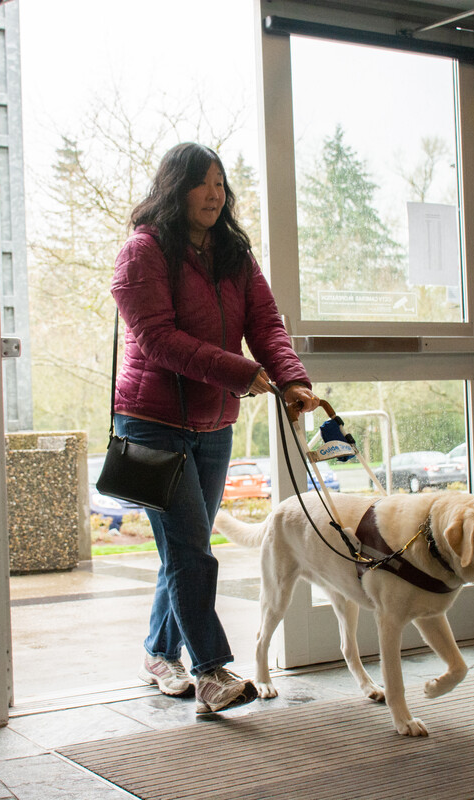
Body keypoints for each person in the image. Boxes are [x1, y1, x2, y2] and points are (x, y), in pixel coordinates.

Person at [111, 143, 320, 714]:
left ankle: (159, 652)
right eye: (201, 183)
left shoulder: (233, 253)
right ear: (173, 188)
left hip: (212, 422)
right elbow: (158, 338)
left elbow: (266, 324)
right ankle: (210, 672)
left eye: (220, 183)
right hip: (151, 424)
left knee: (187, 547)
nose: (213, 193)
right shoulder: (143, 252)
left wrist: (291, 380)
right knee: (189, 551)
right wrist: (242, 372)